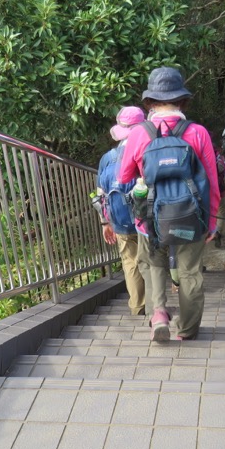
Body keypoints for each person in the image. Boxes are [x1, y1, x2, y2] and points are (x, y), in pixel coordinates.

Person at [118, 67, 220, 341]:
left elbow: (124, 176)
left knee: (154, 265)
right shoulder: (198, 132)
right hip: (192, 216)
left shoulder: (139, 134)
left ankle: (159, 313)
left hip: (150, 217)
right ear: (182, 100)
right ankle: (187, 329)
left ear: (150, 102)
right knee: (189, 271)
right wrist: (211, 221)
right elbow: (211, 180)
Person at [96, 106, 147, 315]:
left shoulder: (107, 158)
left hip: (119, 220)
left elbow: (101, 193)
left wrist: (105, 222)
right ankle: (156, 307)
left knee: (130, 262)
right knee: (151, 260)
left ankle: (137, 306)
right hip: (146, 219)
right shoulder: (146, 151)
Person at [213, 141, 225, 249]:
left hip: (205, 192)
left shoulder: (199, 155)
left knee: (209, 212)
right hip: (220, 191)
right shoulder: (219, 158)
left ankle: (210, 232)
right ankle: (218, 231)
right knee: (221, 211)